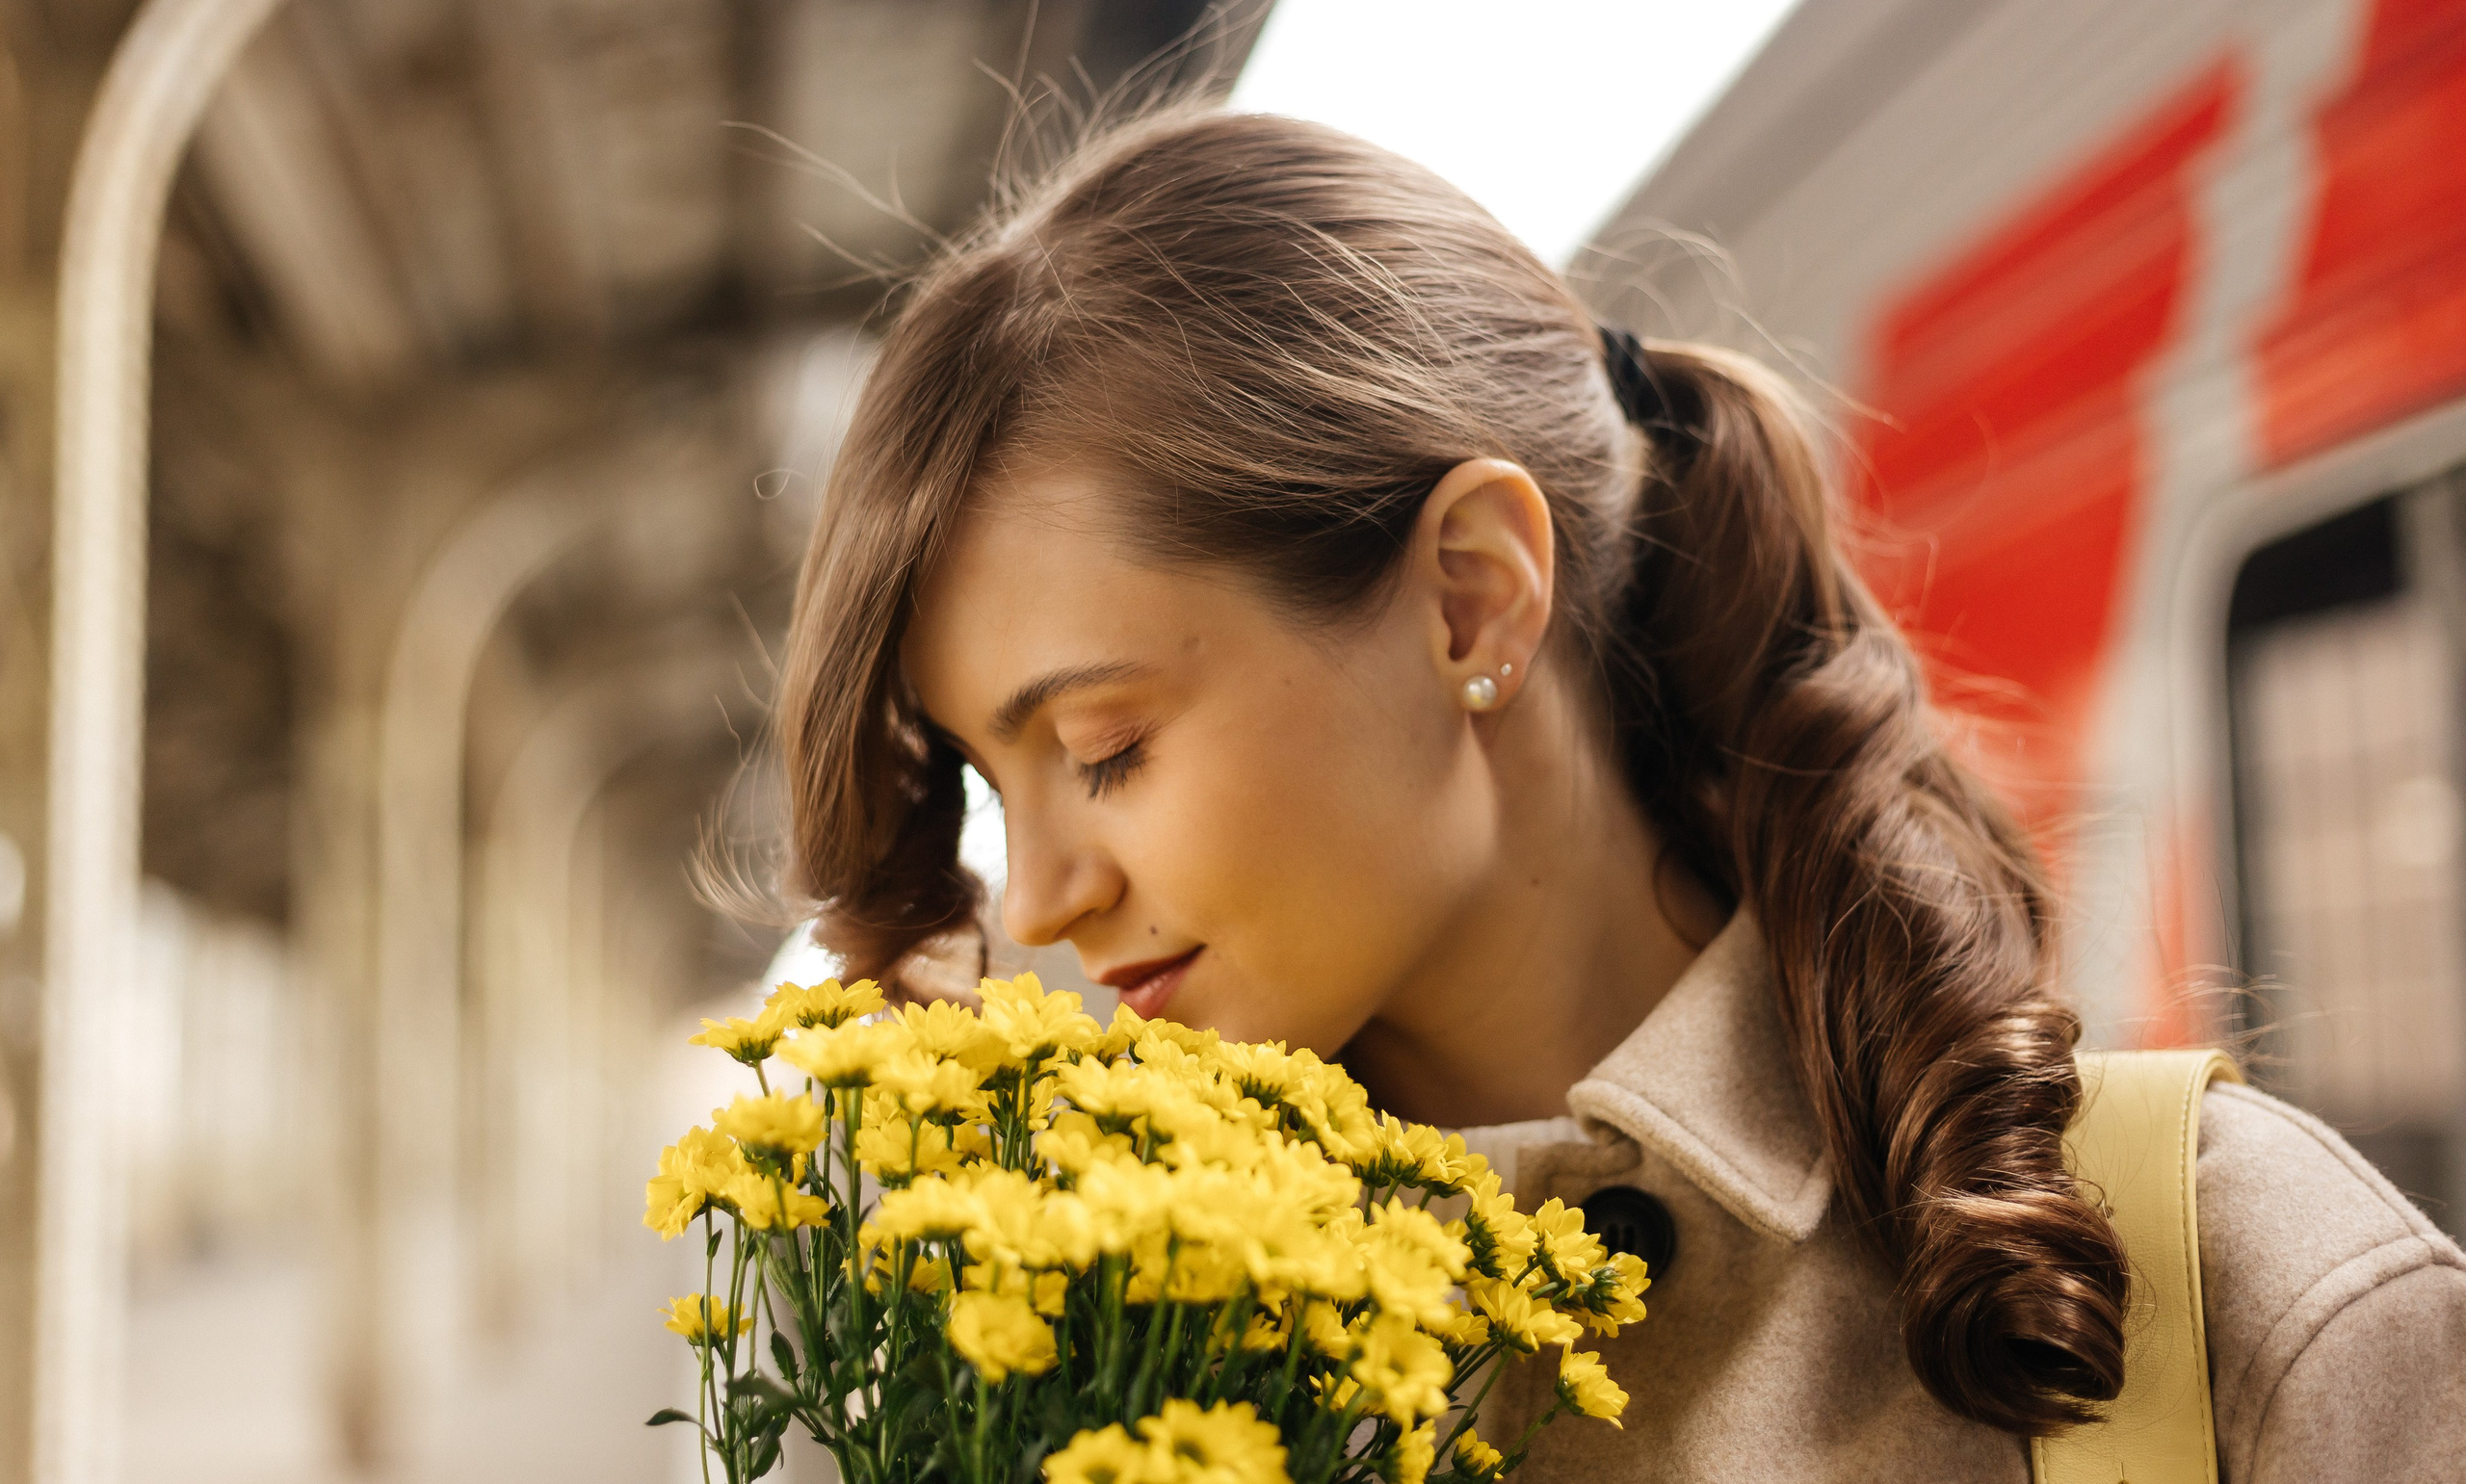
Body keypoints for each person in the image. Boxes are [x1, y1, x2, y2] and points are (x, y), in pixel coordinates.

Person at [772, 108, 2466, 1480]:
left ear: (1471, 600)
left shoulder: (2227, 1286)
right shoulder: (1070, 1367)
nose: (1046, 896)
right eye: (996, 789)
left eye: (1105, 750)